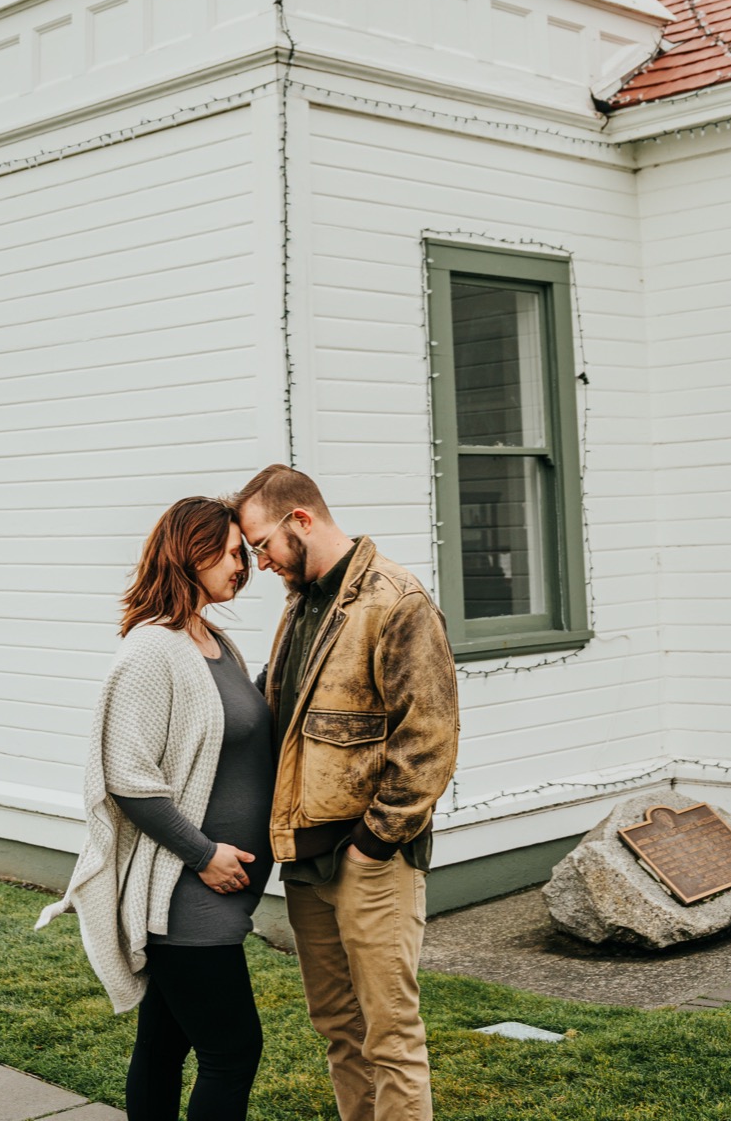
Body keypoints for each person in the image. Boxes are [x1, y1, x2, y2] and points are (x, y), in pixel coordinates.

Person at [36, 496, 273, 1121]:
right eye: (228, 554)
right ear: (188, 554)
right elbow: (128, 780)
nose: (241, 566)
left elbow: (231, 733)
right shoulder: (152, 651)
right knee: (233, 1050)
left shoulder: (214, 640)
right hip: (186, 892)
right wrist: (204, 855)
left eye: (244, 554)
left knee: (164, 1044)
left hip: (217, 887)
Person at [234, 466, 460, 1121]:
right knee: (339, 1031)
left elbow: (428, 742)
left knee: (389, 1037)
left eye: (262, 546)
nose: (260, 562)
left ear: (299, 521)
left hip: (371, 863)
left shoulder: (396, 600)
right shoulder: (301, 602)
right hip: (304, 863)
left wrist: (370, 844)